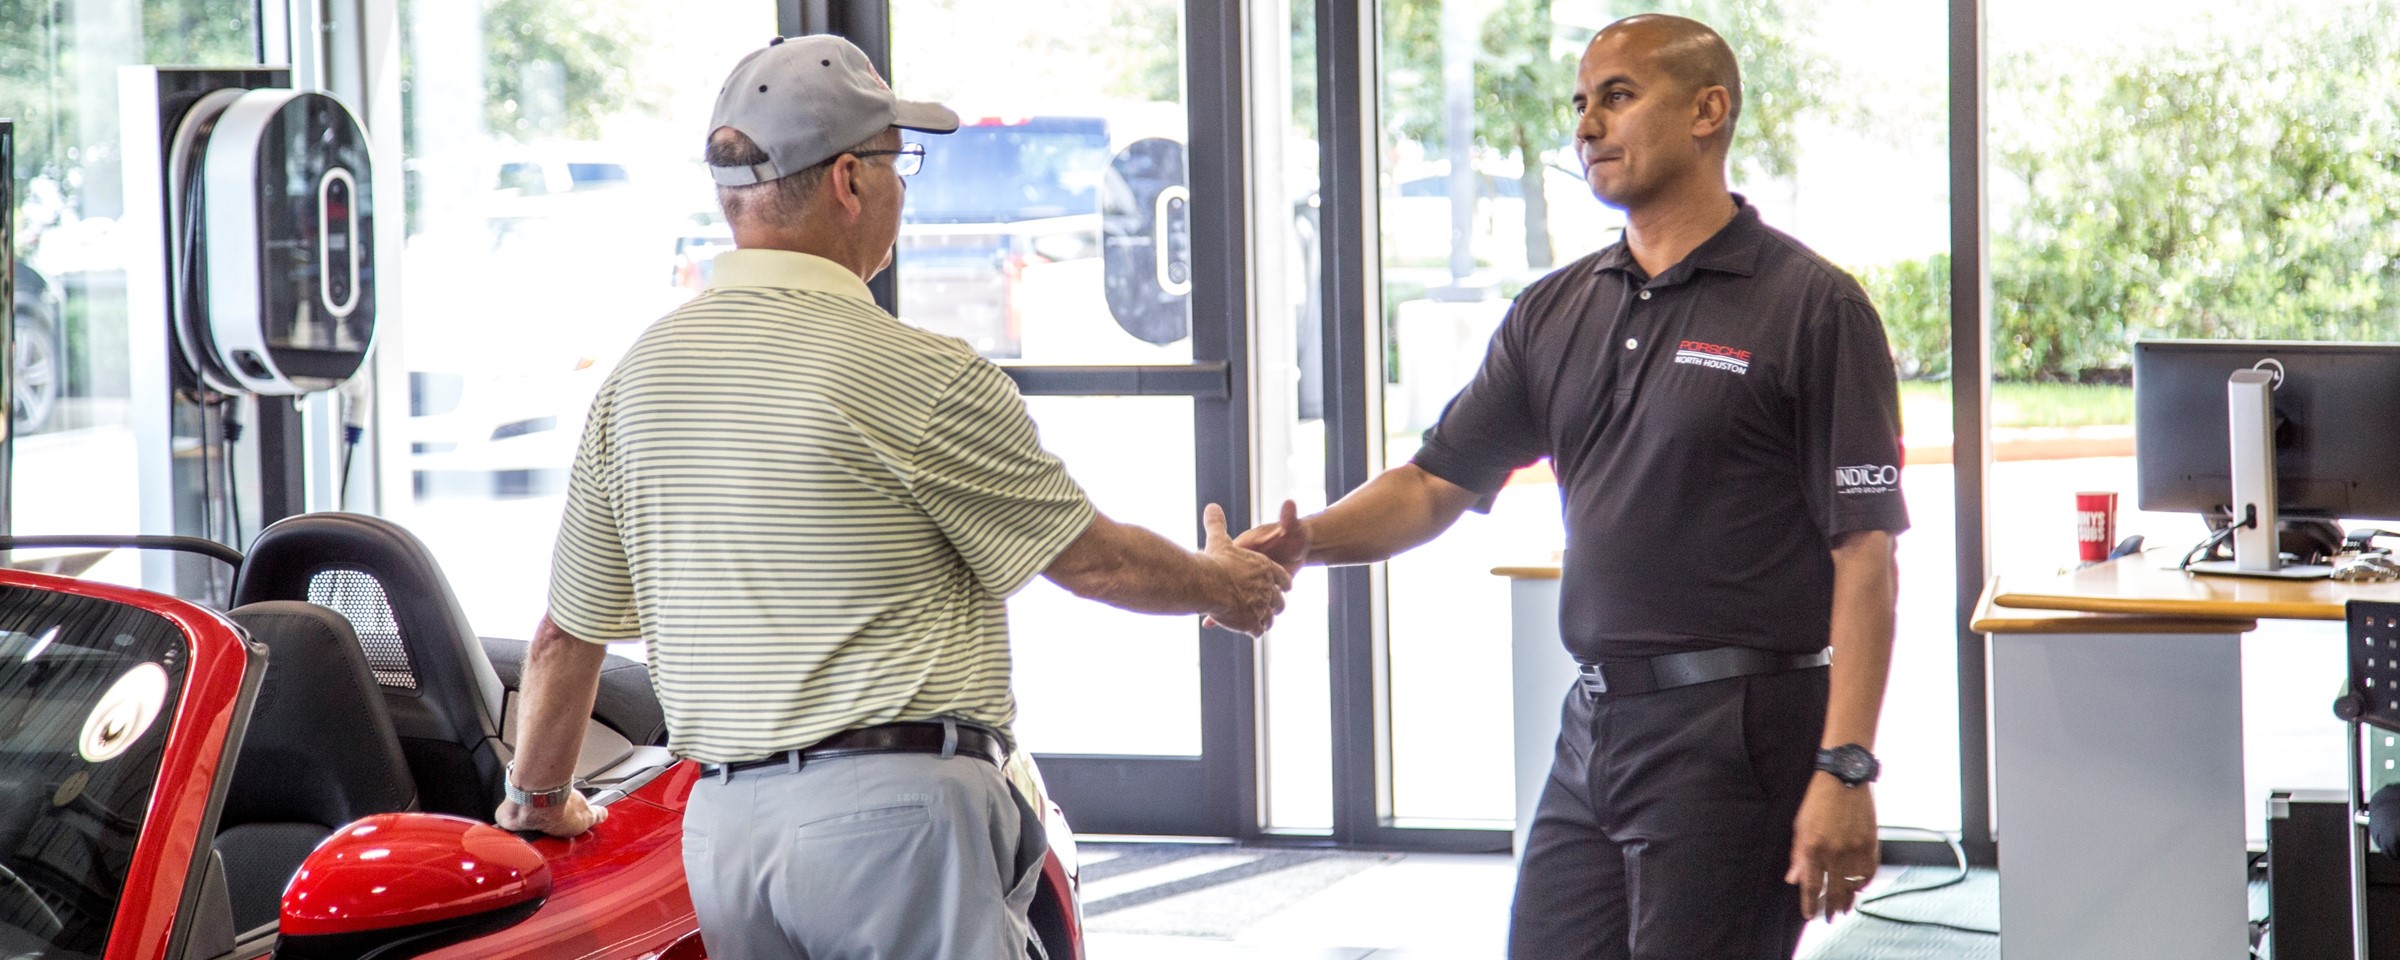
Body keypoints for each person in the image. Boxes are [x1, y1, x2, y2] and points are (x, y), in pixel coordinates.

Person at [493, 34, 1292, 960]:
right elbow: (1095, 561)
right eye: (896, 161)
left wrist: (538, 801)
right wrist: (1226, 585)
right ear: (848, 181)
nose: (903, 189)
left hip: (723, 837)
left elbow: (565, 636)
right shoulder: (916, 374)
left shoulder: (638, 380)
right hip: (893, 829)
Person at [1237, 14, 1906, 959]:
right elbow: (1432, 483)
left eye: (1618, 97)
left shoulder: (1811, 307)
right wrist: (1308, 542)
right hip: (1593, 726)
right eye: (1582, 103)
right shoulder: (1555, 309)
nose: (1587, 125)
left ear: (1708, 111)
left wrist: (1846, 766)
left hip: (1738, 730)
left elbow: (1866, 554)